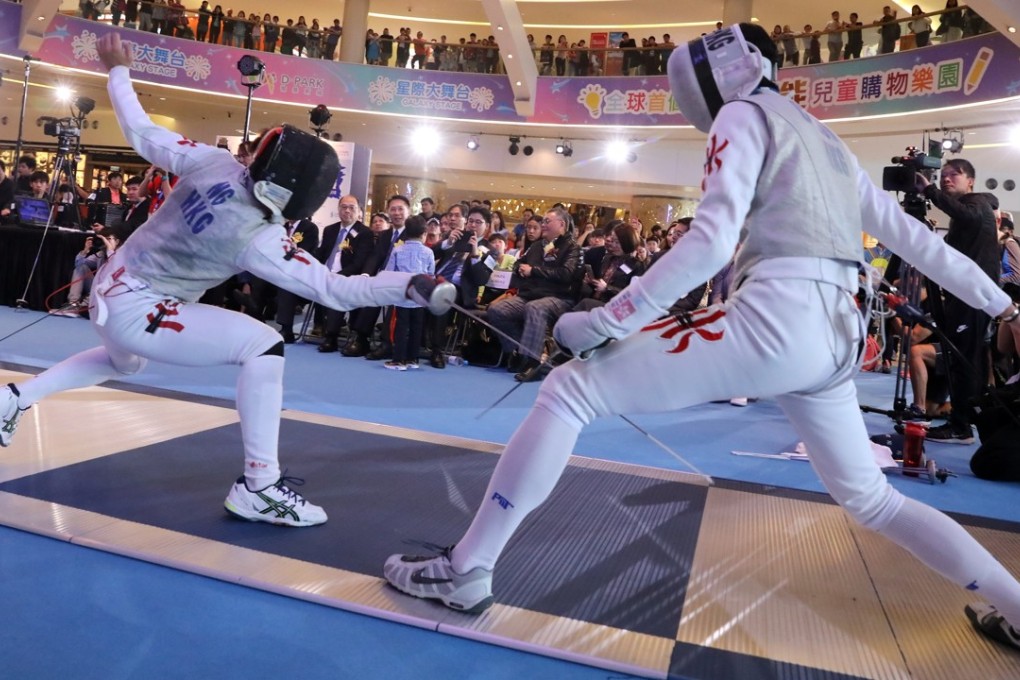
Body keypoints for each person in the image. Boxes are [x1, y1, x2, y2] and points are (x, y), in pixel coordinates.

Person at [382, 23, 1020, 655]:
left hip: (778, 318)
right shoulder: (825, 139)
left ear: (727, 67)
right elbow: (919, 243)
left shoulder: (743, 114)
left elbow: (711, 240)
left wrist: (608, 320)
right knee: (873, 499)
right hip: (837, 335)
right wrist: (1003, 303)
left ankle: (467, 568)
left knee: (569, 390)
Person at [1, 34, 453, 528]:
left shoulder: (213, 161)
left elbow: (141, 130)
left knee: (120, 361)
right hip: (139, 308)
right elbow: (335, 291)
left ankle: (14, 399)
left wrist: (118, 70)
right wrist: (406, 286)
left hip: (111, 285)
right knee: (263, 346)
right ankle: (259, 486)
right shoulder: (256, 236)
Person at [915, 159, 1000, 444]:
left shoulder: (978, 203)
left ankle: (961, 426)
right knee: (961, 357)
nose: (946, 179)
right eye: (944, 175)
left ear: (971, 181)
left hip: (973, 294)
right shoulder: (967, 214)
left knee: (963, 358)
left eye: (955, 175)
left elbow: (968, 215)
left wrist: (929, 192)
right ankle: (963, 420)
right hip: (965, 294)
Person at [383, 216, 435, 370]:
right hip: (420, 298)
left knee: (400, 327)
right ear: (424, 233)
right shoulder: (429, 252)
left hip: (402, 296)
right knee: (416, 328)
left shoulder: (398, 250)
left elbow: (389, 272)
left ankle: (398, 360)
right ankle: (413, 359)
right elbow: (431, 275)